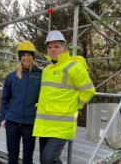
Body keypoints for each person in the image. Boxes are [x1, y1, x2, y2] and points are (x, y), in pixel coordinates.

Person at [33, 30, 95, 164]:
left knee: (48, 159)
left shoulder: (74, 67)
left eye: (56, 46)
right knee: (45, 160)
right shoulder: (47, 70)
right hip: (45, 124)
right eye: (50, 47)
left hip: (62, 125)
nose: (53, 50)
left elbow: (89, 90)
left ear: (64, 48)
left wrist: (76, 105)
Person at [0, 40, 42, 164]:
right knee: (12, 157)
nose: (26, 58)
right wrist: (3, 117)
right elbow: (4, 99)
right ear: (20, 57)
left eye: (29, 55)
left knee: (28, 157)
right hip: (12, 122)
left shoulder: (41, 74)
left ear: (33, 57)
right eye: (23, 55)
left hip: (30, 122)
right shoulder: (12, 76)